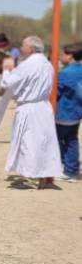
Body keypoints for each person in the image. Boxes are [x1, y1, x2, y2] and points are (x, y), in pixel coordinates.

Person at [0, 36, 62, 189]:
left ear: (31, 49)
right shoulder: (47, 64)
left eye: (23, 46)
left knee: (28, 142)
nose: (21, 48)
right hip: (43, 107)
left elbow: (7, 83)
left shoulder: (28, 64)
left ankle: (32, 176)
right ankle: (46, 176)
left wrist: (6, 70)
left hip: (29, 108)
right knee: (44, 142)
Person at [55, 43, 82, 182]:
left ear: (70, 56)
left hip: (63, 113)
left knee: (58, 140)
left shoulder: (64, 73)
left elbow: (56, 93)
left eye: (62, 54)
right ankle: (72, 171)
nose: (60, 57)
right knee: (72, 140)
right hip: (76, 113)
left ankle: (62, 168)